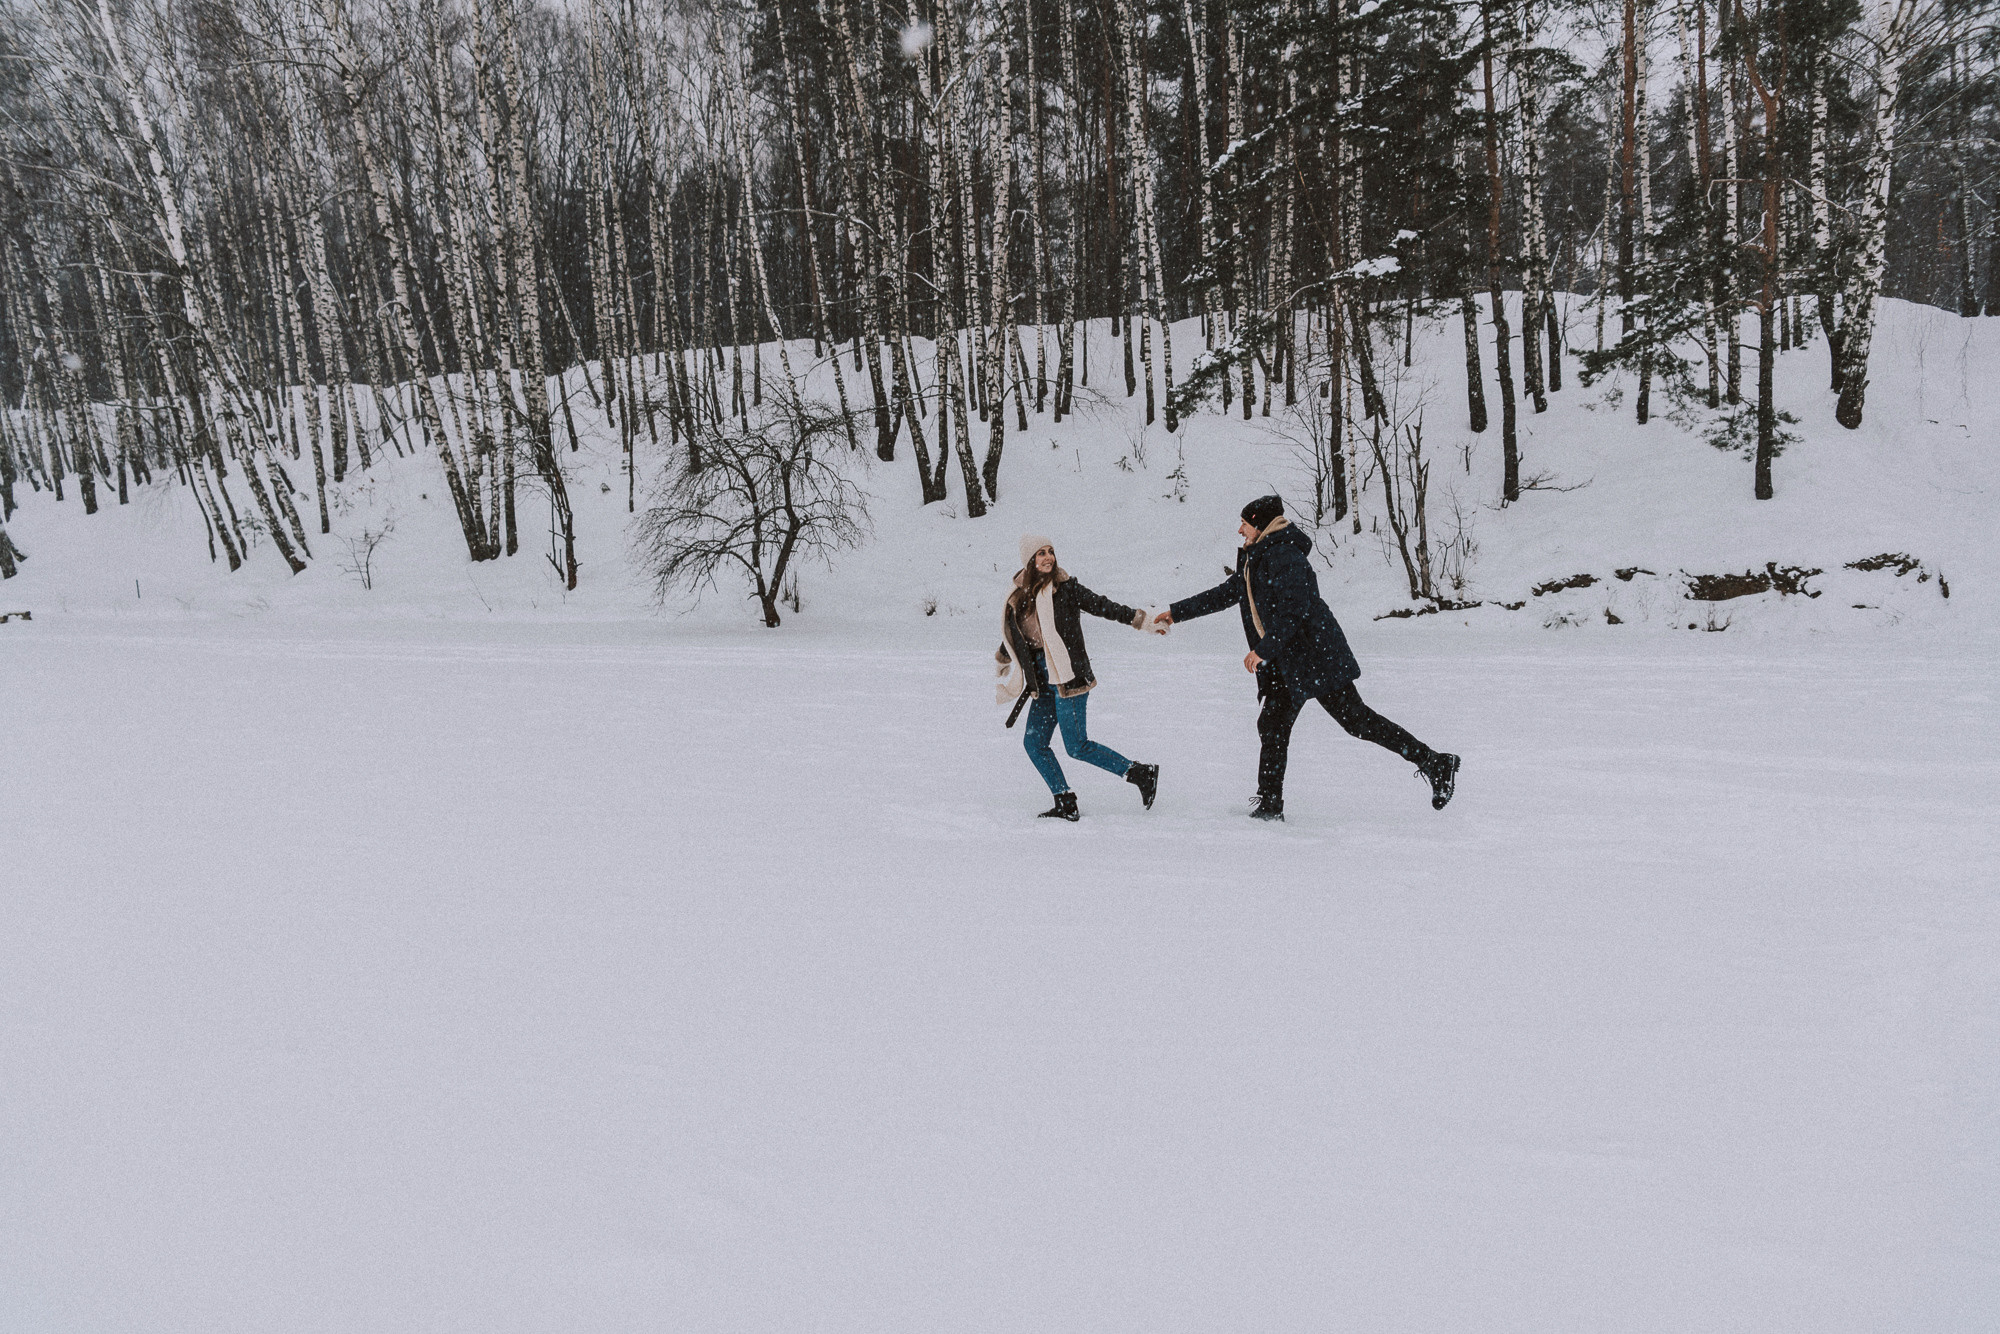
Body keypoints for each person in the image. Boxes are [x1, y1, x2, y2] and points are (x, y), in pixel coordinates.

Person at [1153, 495, 1459, 821]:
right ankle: (1270, 806)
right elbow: (1229, 592)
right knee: (1272, 725)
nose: (1239, 529)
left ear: (1260, 524)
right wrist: (1176, 613)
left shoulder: (1284, 555)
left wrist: (1262, 650)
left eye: (1245, 522)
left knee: (1357, 721)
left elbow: (1294, 611)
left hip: (1315, 656)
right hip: (1288, 661)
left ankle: (1434, 762)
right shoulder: (1257, 556)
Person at [997, 535, 1162, 821]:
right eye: (1040, 554)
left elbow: (1104, 606)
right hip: (1041, 680)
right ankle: (1065, 800)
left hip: (1068, 676)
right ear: (1030, 561)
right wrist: (1004, 656)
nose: (1048, 557)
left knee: (1076, 746)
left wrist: (1142, 621)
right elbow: (1021, 634)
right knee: (1034, 743)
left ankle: (1139, 773)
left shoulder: (1067, 589)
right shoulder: (1020, 597)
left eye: (1050, 552)